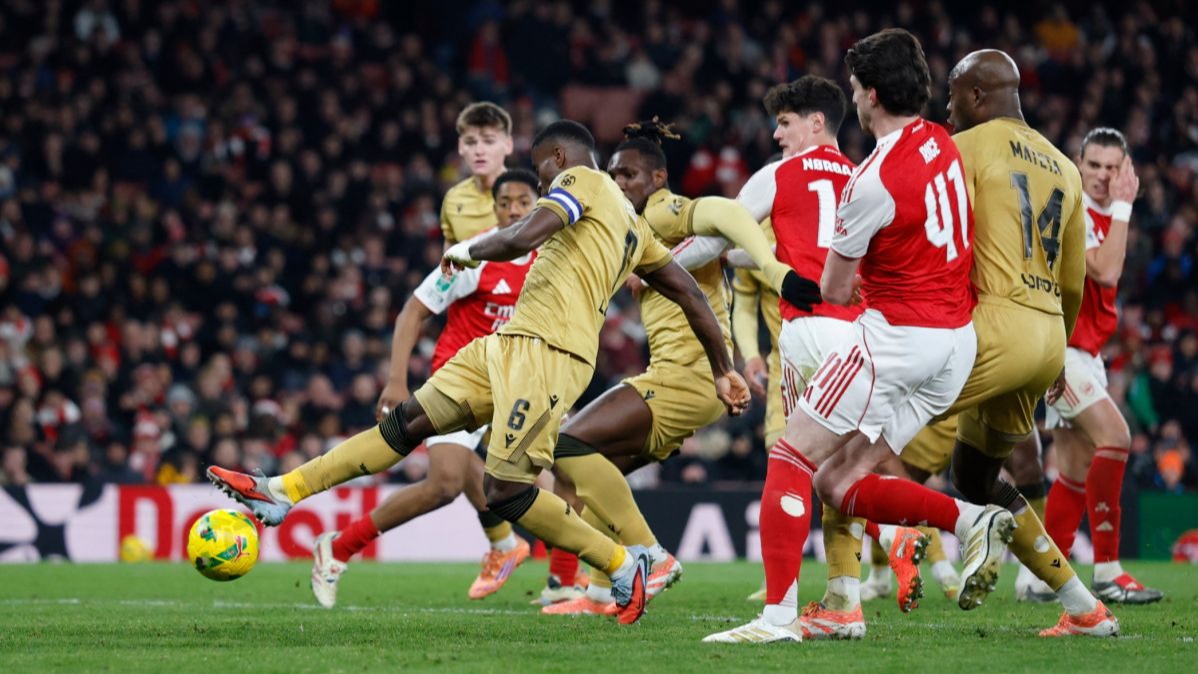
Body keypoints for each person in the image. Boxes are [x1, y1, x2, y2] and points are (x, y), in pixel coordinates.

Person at [208, 119, 753, 626]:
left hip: (549, 355)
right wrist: (723, 368)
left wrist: (466, 250)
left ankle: (621, 563)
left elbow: (523, 235)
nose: (543, 183)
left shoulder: (580, 178)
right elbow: (689, 293)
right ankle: (281, 491)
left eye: (541, 171)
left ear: (557, 158)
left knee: (505, 490)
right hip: (506, 344)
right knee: (408, 423)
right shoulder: (637, 229)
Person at [705, 29, 1010, 644]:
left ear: (870, 95)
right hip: (955, 347)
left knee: (790, 455)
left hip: (895, 342)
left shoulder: (869, 182)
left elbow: (836, 290)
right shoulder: (942, 141)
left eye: (854, 89)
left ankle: (775, 619)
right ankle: (971, 519)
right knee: (835, 481)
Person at [535, 117, 818, 617]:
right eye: (615, 176)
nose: (621, 184)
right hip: (678, 378)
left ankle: (651, 556)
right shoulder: (635, 230)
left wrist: (773, 270)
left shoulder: (665, 212)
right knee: (600, 474)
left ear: (658, 180)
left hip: (687, 377)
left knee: (566, 446)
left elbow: (728, 213)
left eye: (631, 176)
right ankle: (604, 593)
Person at [307, 169, 540, 608]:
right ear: (493, 208)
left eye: (523, 202)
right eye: (505, 201)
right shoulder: (474, 255)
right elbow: (414, 310)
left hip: (516, 382)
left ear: (539, 204)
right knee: (445, 484)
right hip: (460, 380)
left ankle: (533, 561)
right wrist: (396, 380)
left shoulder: (550, 257)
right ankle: (338, 548)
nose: (513, 209)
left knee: (551, 475)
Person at [1020, 128, 1163, 605]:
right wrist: (1124, 207)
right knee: (1117, 438)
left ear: (1125, 170)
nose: (1102, 176)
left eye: (1112, 167)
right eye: (1095, 165)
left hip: (1086, 352)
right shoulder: (1071, 205)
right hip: (1062, 349)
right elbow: (1104, 269)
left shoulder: (1104, 214)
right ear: (1078, 164)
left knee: (1075, 472)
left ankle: (1045, 575)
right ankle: (1107, 570)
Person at [440, 102, 515, 245]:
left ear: (508, 145)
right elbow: (450, 259)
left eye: (489, 141)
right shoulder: (453, 199)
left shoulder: (528, 196)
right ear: (461, 147)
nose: (479, 151)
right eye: (470, 142)